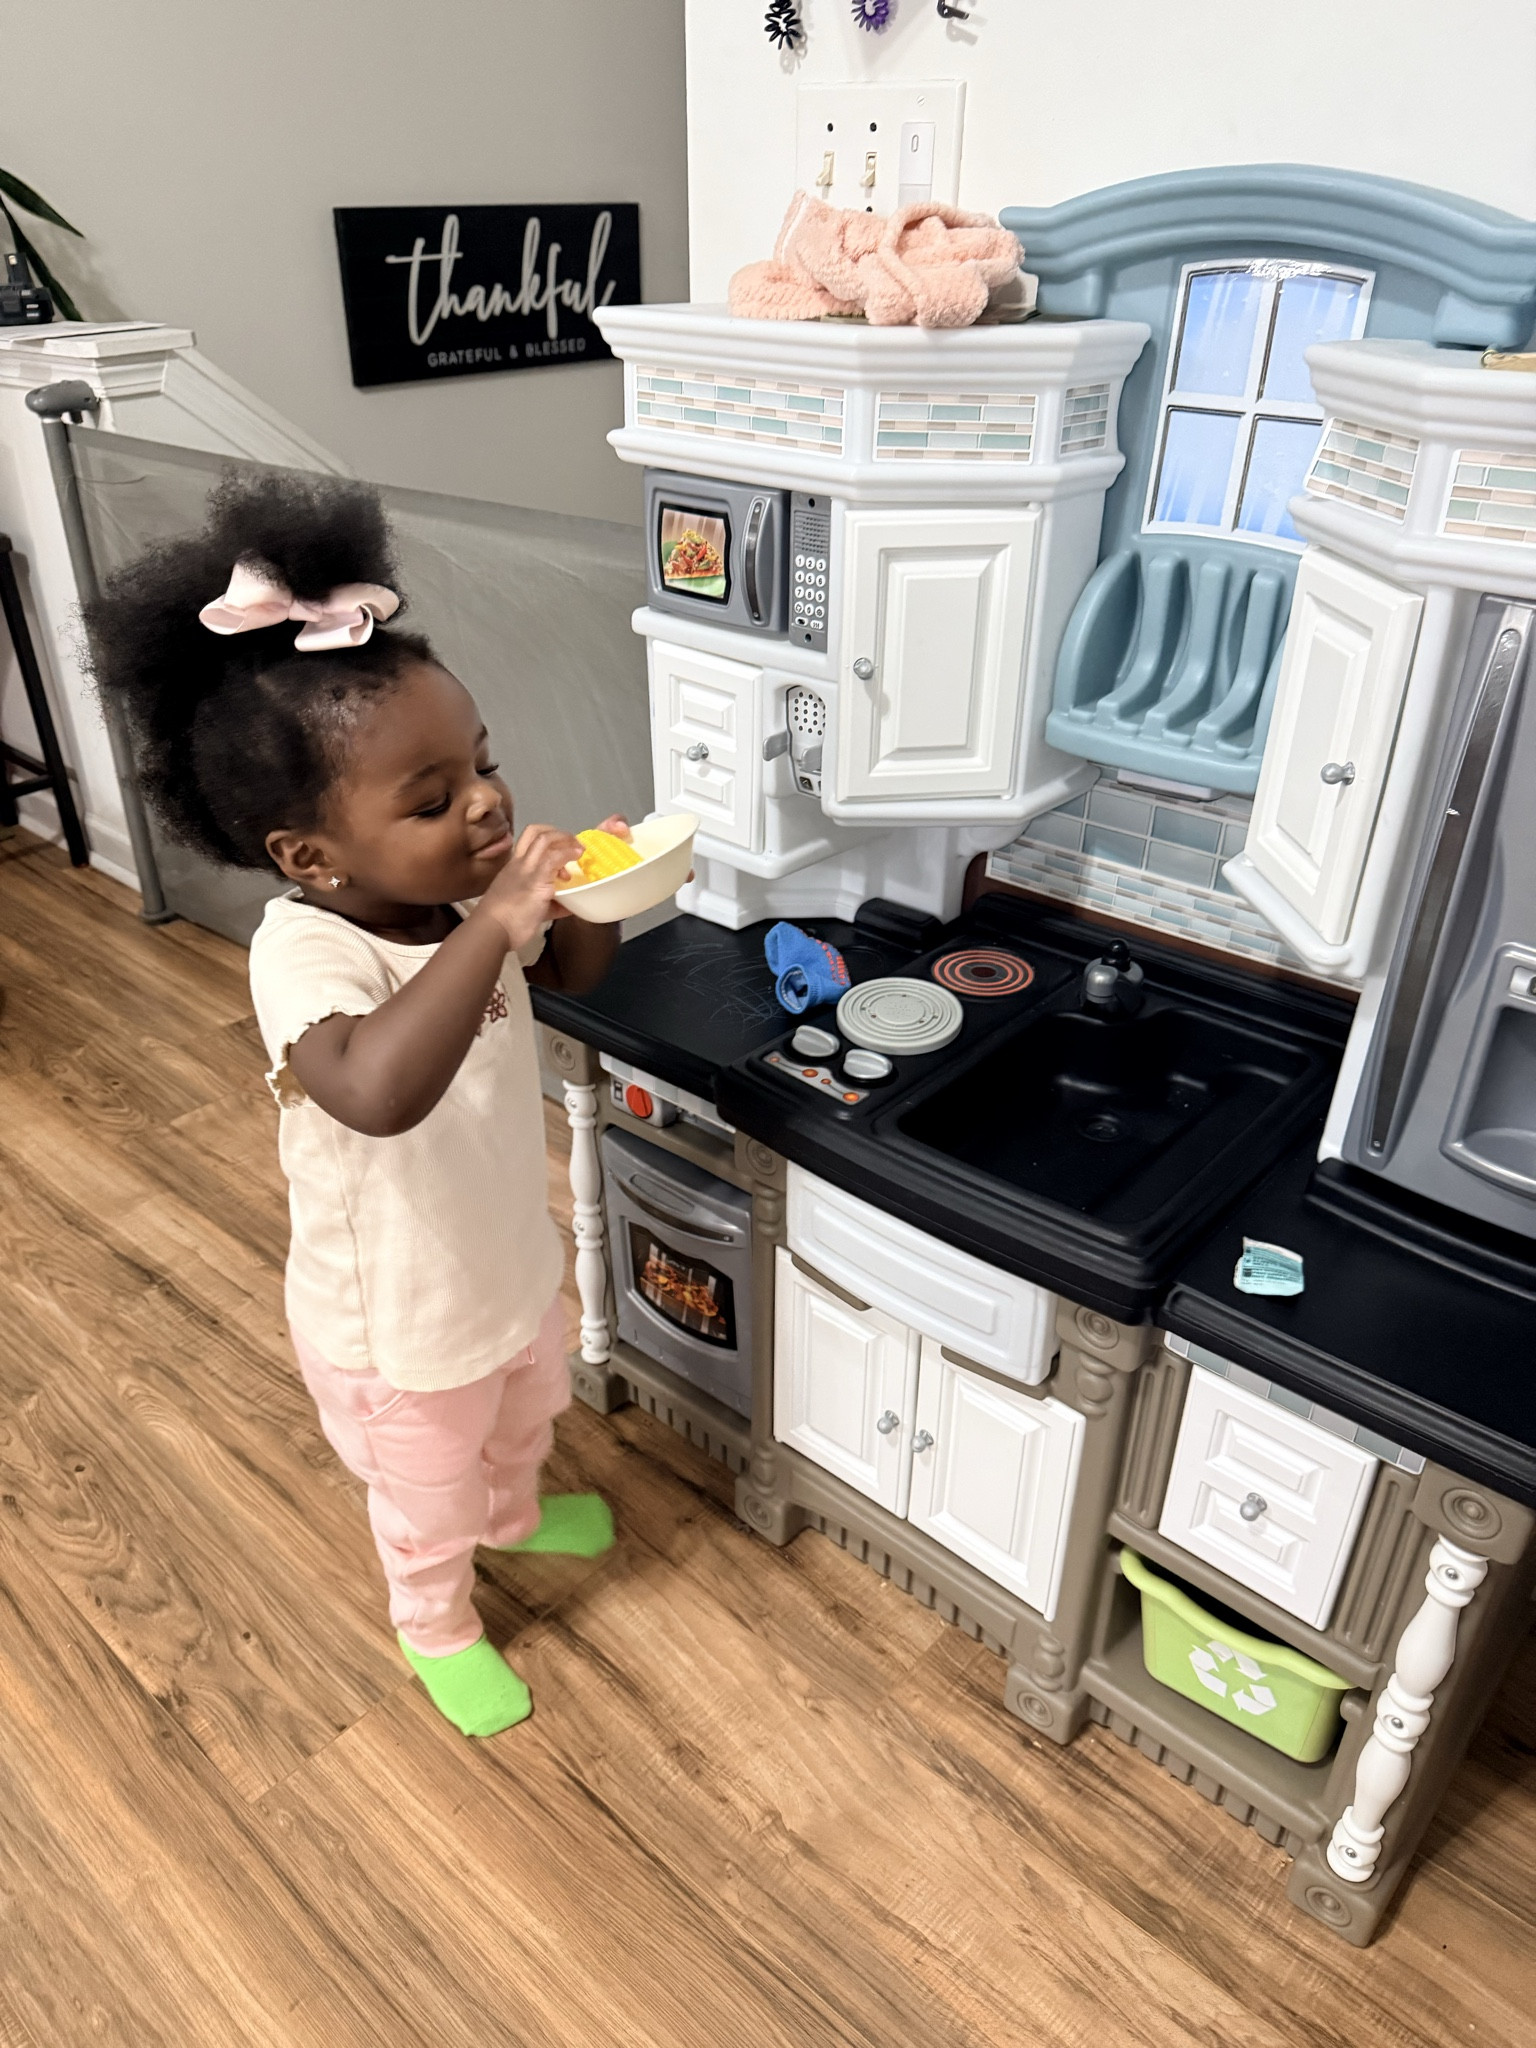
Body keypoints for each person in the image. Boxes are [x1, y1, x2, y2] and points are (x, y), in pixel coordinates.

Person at [87, 471, 622, 1737]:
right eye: (432, 799)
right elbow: (375, 1091)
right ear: (310, 855)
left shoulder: (458, 907)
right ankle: (435, 1619)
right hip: (398, 1318)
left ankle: (512, 1513)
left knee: (526, 1414)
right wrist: (493, 924)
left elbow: (578, 975)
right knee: (425, 1493)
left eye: (482, 764)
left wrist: (589, 893)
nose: (484, 800)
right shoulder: (307, 952)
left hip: (501, 1256)